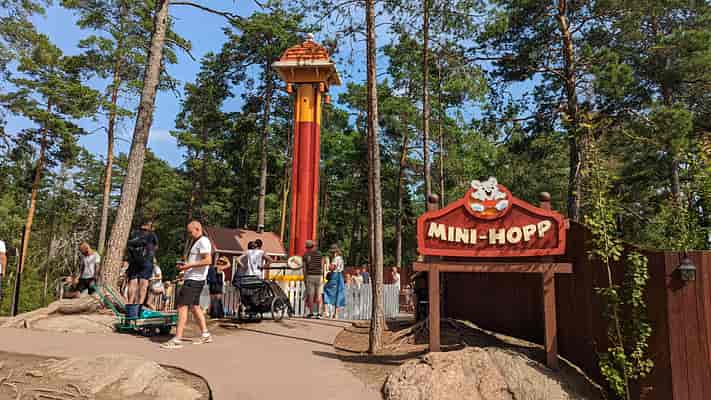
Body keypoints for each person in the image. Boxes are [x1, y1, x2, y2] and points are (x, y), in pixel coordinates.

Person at [161, 221, 213, 349]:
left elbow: (208, 260)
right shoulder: (197, 242)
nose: (189, 235)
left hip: (194, 280)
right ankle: (205, 334)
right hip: (193, 278)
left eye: (190, 232)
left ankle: (177, 339)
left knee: (182, 306)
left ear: (197, 229)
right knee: (194, 307)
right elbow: (197, 262)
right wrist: (184, 271)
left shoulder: (203, 241)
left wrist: (188, 266)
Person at [126, 221, 158, 306]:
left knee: (132, 282)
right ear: (149, 226)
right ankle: (139, 306)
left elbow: (129, 246)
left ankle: (130, 305)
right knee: (143, 284)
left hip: (134, 261)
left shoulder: (133, 233)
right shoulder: (151, 234)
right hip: (146, 261)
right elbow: (156, 247)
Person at [323, 244, 346, 319]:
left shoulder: (336, 259)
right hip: (340, 276)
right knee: (339, 293)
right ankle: (336, 314)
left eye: (332, 252)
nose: (331, 254)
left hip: (334, 276)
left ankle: (326, 311)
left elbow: (332, 267)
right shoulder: (341, 258)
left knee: (326, 290)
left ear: (334, 252)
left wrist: (328, 264)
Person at [302, 240, 324, 319]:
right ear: (313, 246)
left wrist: (305, 278)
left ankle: (311, 313)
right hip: (319, 276)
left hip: (310, 276)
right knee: (319, 294)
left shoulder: (305, 255)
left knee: (310, 295)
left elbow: (304, 268)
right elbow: (322, 265)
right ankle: (319, 313)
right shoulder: (320, 254)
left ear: (307, 247)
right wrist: (322, 274)